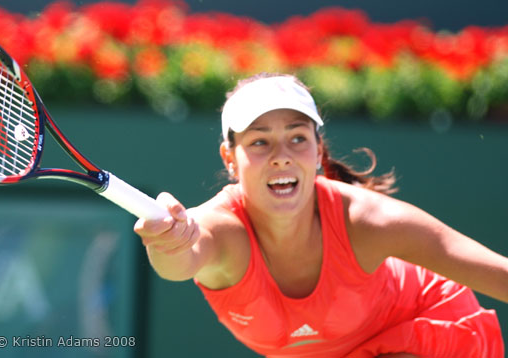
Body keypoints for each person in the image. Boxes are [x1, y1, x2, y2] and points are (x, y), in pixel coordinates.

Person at [134, 72, 508, 357]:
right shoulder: (222, 230)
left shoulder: (367, 221)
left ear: (317, 152)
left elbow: (485, 267)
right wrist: (167, 241)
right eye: (260, 141)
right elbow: (180, 262)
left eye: (297, 137)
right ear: (230, 158)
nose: (282, 154)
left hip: (425, 327)